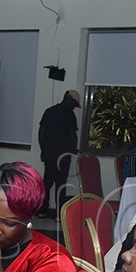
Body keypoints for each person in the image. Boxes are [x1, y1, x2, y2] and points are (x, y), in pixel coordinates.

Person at [38, 89, 80, 218]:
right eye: (75, 104)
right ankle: (59, 214)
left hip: (49, 154)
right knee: (61, 184)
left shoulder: (49, 111)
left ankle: (42, 211)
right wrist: (74, 148)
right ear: (71, 100)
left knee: (47, 182)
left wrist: (43, 150)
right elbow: (72, 135)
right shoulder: (70, 115)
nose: (74, 107)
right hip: (63, 155)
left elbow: (41, 132)